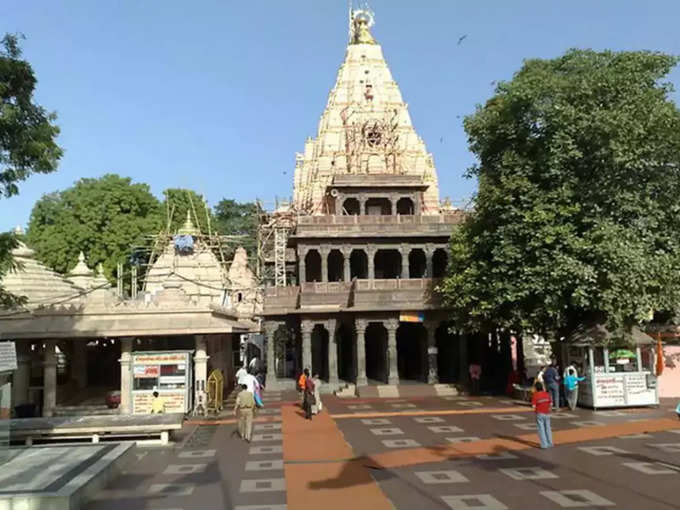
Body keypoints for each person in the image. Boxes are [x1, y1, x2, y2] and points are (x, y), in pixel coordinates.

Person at [531, 382, 554, 449]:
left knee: (541, 429)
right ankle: (550, 443)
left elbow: (533, 406)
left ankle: (544, 444)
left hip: (539, 413)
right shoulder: (547, 394)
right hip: (547, 413)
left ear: (536, 388)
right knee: (548, 428)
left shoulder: (535, 395)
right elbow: (551, 404)